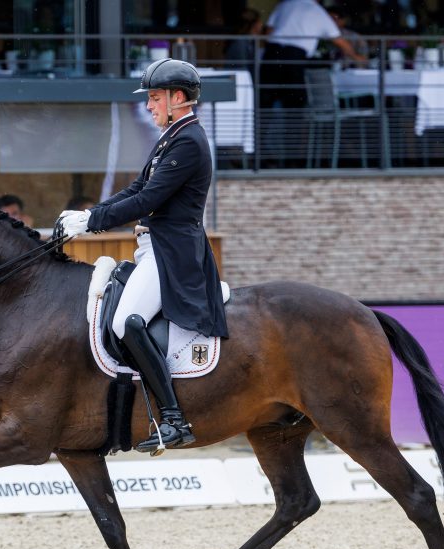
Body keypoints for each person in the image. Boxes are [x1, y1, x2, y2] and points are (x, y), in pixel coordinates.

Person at [57, 58, 228, 453]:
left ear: (178, 98)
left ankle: (173, 418)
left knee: (126, 322)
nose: (149, 106)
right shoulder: (172, 136)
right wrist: (90, 215)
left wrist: (93, 222)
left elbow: (149, 200)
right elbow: (136, 188)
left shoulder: (188, 140)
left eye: (154, 98)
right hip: (154, 247)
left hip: (172, 254)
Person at [260, 0, 366, 110]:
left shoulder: (285, 4)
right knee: (294, 98)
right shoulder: (318, 11)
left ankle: (260, 126)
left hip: (272, 51)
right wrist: (356, 57)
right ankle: (291, 126)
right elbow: (339, 41)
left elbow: (269, 31)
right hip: (295, 54)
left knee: (265, 95)